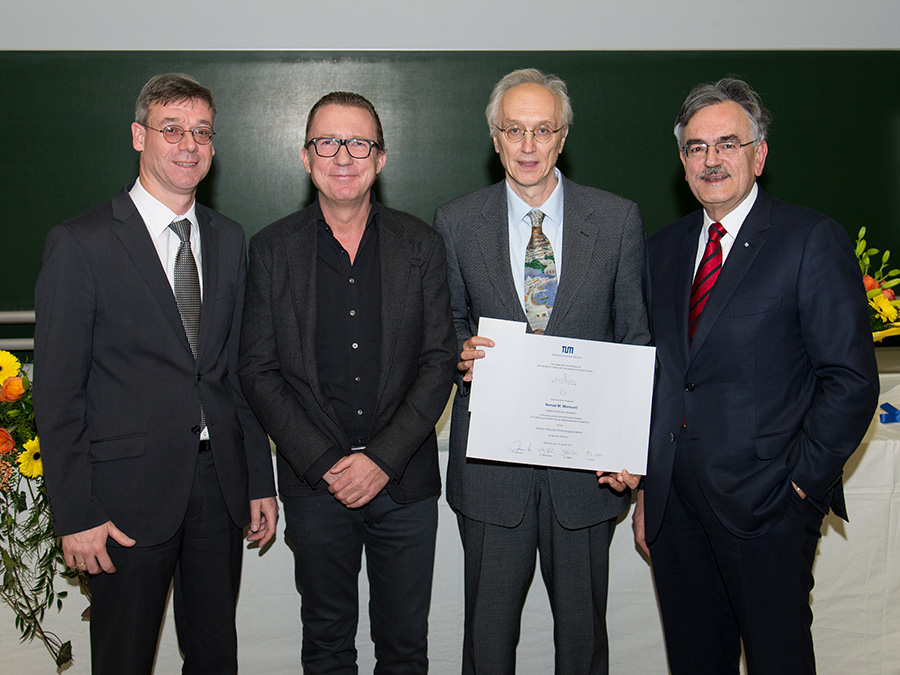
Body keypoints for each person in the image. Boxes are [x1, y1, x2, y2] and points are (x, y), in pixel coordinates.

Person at [33, 73, 277, 674]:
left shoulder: (227, 238)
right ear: (139, 135)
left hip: (217, 489)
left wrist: (256, 479)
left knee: (216, 655)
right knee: (124, 659)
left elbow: (232, 372)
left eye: (201, 132)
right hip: (123, 498)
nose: (188, 145)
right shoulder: (81, 243)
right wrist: (78, 511)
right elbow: (58, 393)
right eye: (172, 129)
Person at [636, 77, 879, 674]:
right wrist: (648, 487)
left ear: (759, 154)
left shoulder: (809, 239)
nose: (711, 159)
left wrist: (801, 487)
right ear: (683, 161)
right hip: (676, 512)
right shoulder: (660, 251)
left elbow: (850, 379)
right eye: (696, 147)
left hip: (769, 507)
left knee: (778, 660)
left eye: (727, 143)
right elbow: (659, 375)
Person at [433, 68, 650, 675]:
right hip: (492, 476)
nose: (527, 146)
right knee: (487, 644)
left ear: (562, 139)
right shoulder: (456, 221)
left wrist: (628, 446)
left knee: (582, 646)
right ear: (495, 139)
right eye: (514, 130)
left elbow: (634, 338)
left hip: (584, 478)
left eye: (542, 130)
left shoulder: (616, 220)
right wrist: (460, 352)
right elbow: (443, 325)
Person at [239, 91, 457, 674]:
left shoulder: (422, 247)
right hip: (317, 487)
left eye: (358, 142)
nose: (343, 155)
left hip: (404, 482)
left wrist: (381, 460)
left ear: (380, 158)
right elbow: (257, 370)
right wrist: (325, 461)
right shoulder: (270, 251)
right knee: (328, 645)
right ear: (306, 158)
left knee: (405, 647)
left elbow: (439, 361)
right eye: (326, 142)